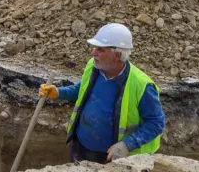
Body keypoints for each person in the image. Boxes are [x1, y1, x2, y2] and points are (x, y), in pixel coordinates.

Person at [39, 23, 165, 164]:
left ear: (116, 55)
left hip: (111, 158)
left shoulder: (142, 85)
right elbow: (82, 89)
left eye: (100, 49)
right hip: (80, 148)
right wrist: (59, 93)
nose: (93, 53)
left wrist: (127, 144)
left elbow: (156, 123)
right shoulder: (94, 66)